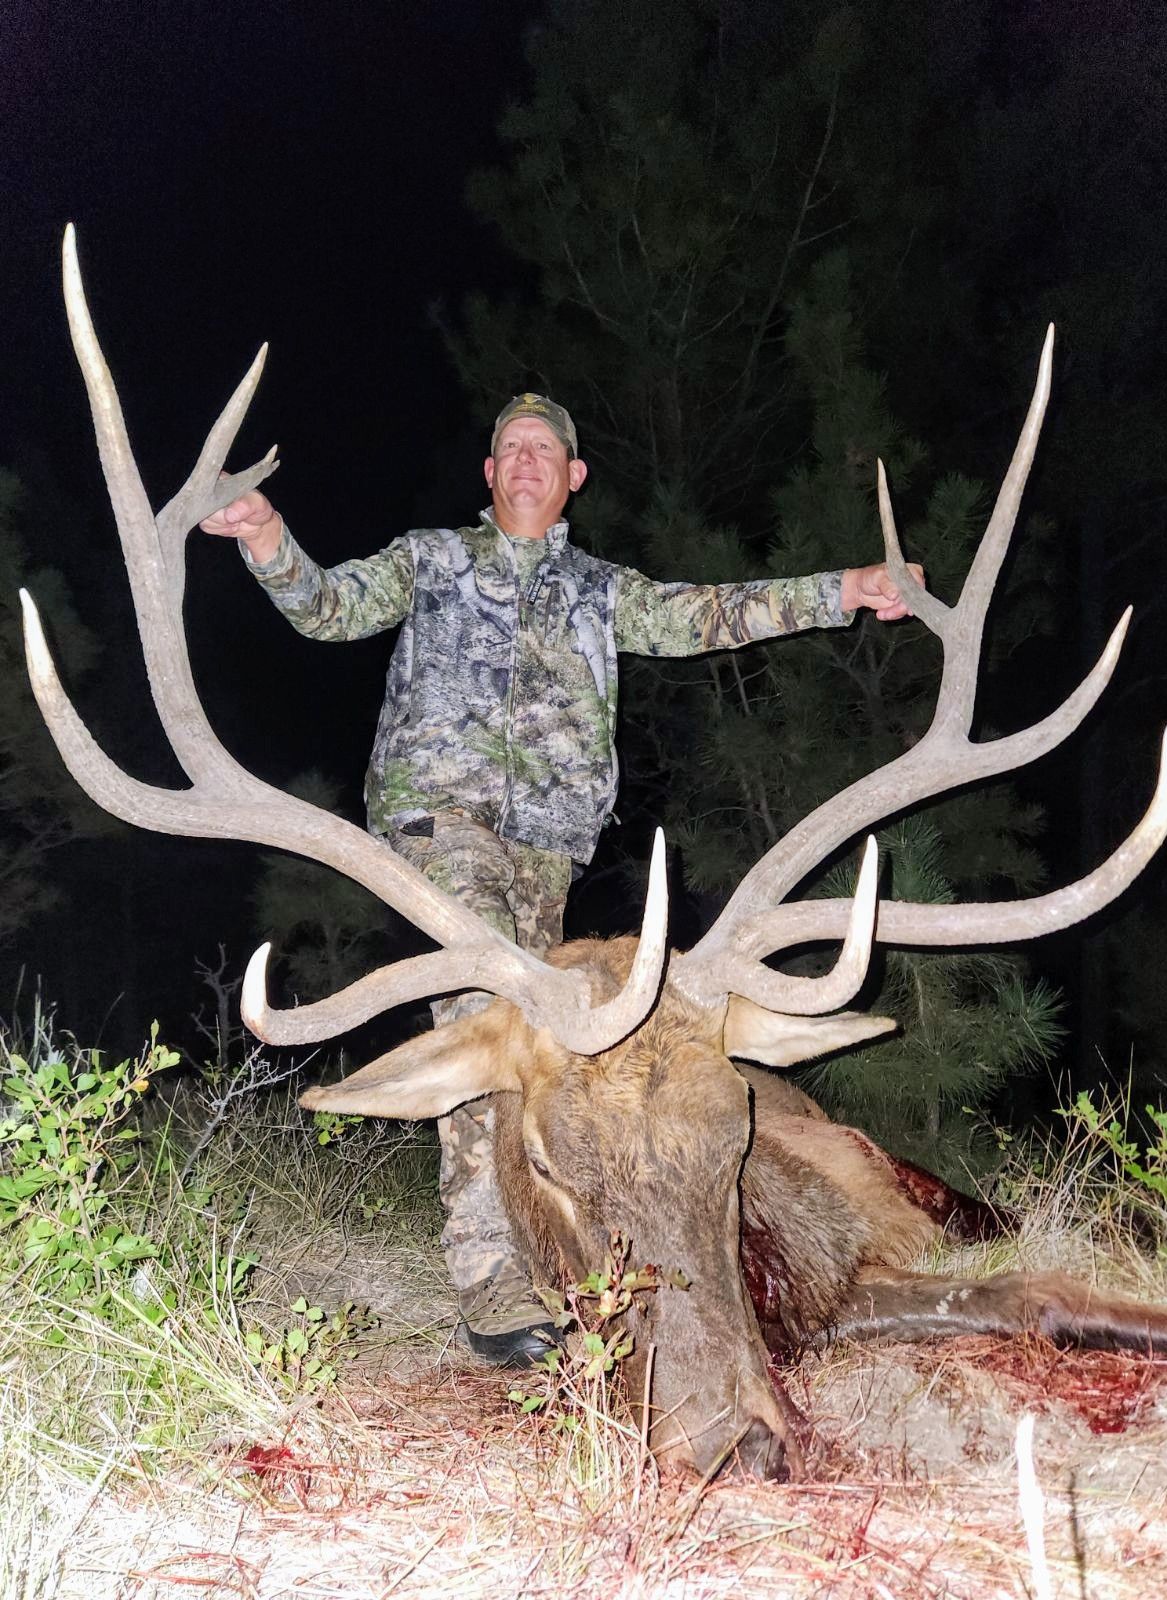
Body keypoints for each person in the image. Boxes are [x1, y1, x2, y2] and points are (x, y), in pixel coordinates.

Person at [200, 392, 923, 1366]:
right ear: (490, 474)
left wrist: (846, 589)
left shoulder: (599, 591)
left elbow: (708, 615)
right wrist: (266, 536)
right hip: (439, 829)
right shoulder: (433, 560)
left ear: (573, 476)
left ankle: (556, 1241)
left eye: (545, 448)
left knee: (541, 1047)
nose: (527, 459)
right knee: (485, 1016)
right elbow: (328, 608)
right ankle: (493, 1280)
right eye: (511, 447)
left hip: (546, 850)